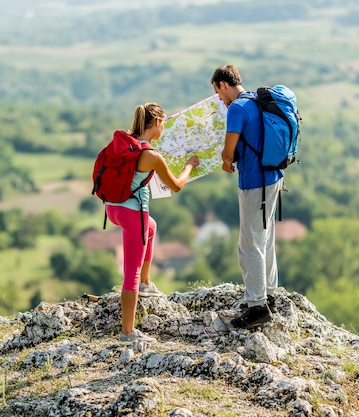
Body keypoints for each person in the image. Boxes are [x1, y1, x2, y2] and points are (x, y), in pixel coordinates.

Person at [106, 102, 200, 343]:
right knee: (131, 274)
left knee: (152, 227)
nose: (164, 129)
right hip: (132, 213)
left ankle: (147, 284)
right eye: (164, 123)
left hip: (113, 208)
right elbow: (177, 186)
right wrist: (189, 165)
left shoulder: (125, 142)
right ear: (157, 122)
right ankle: (127, 332)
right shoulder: (150, 156)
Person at [210, 64, 283, 329]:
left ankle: (256, 306)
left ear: (223, 85)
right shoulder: (256, 99)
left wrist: (226, 162)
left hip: (254, 182)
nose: (220, 99)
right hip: (274, 177)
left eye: (218, 93)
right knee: (266, 238)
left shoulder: (237, 109)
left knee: (249, 244)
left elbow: (228, 153)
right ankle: (269, 295)